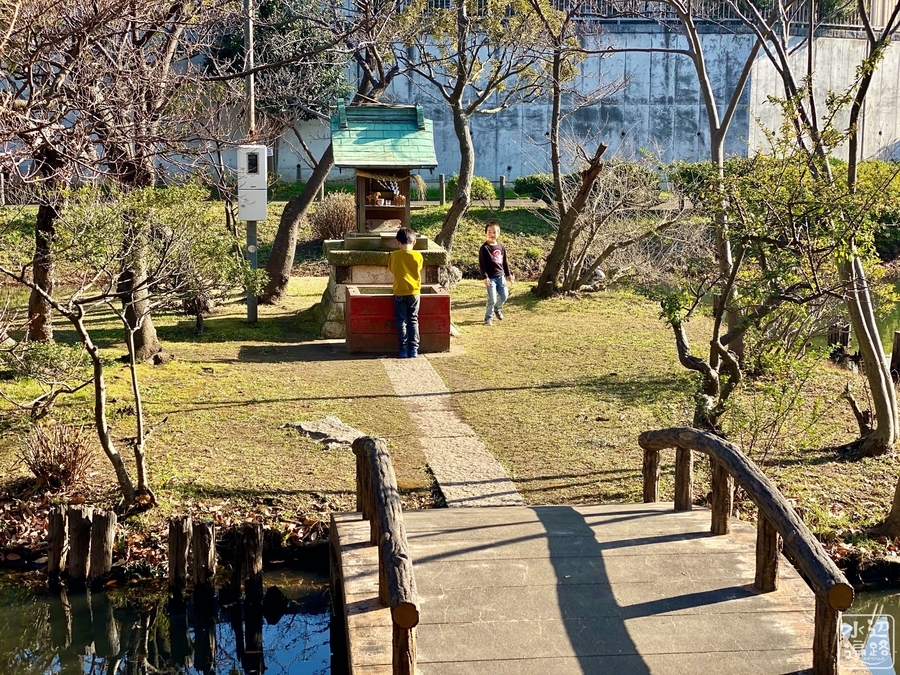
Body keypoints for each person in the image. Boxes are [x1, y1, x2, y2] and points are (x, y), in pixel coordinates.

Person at [387, 227, 424, 358]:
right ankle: (414, 349)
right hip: (414, 292)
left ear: (398, 242)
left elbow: (391, 269)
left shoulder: (394, 255)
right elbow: (419, 268)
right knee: (413, 320)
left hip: (399, 292)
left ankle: (403, 349)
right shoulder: (418, 256)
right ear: (414, 242)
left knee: (401, 320)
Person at [479, 220, 512, 326]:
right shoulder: (484, 248)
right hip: (490, 278)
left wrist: (508, 274)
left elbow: (504, 262)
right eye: (489, 232)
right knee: (492, 298)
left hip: (500, 276)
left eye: (494, 232)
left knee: (504, 296)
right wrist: (485, 277)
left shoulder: (501, 246)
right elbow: (482, 264)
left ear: (498, 233)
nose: (492, 234)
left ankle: (497, 309)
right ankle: (488, 318)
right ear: (485, 233)